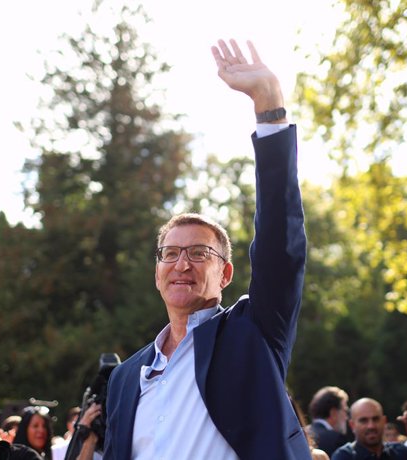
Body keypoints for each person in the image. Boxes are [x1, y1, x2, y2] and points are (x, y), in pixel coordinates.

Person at [104, 38, 310, 459]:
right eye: (170, 253)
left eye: (199, 253)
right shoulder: (125, 378)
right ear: (157, 271)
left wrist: (269, 108)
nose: (182, 263)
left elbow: (279, 247)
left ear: (226, 273)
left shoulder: (252, 334)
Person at [331, 398, 407, 460]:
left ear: (384, 421)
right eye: (363, 420)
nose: (371, 426)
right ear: (352, 425)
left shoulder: (401, 452)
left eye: (375, 419)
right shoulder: (344, 456)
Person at [306, 386, 351, 456]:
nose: (346, 417)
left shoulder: (303, 434)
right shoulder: (337, 439)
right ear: (333, 413)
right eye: (345, 411)